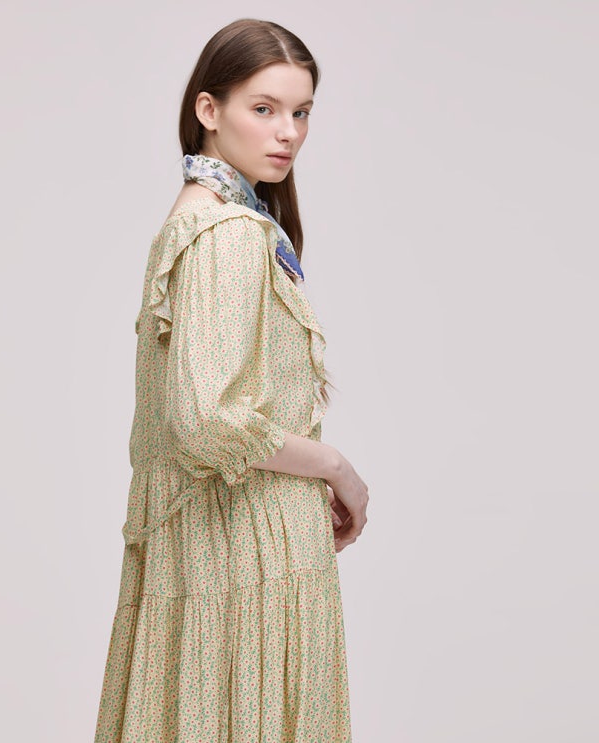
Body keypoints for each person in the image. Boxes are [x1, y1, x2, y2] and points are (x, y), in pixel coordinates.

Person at [94, 18, 370, 743]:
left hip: (216, 547)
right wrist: (335, 466)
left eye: (301, 112)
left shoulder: (198, 221)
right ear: (208, 110)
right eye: (264, 108)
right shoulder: (228, 235)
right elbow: (205, 419)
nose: (288, 133)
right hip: (246, 546)